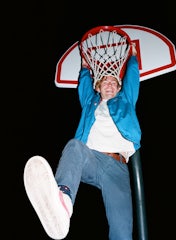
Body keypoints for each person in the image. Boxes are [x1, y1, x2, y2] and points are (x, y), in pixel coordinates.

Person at [24, 43, 141, 240]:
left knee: (122, 232)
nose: (110, 85)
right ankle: (63, 202)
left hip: (118, 168)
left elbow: (132, 79)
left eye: (114, 82)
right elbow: (84, 84)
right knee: (74, 146)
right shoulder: (90, 102)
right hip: (92, 160)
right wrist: (86, 67)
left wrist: (133, 57)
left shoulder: (126, 100)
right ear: (99, 87)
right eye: (105, 82)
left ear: (119, 87)